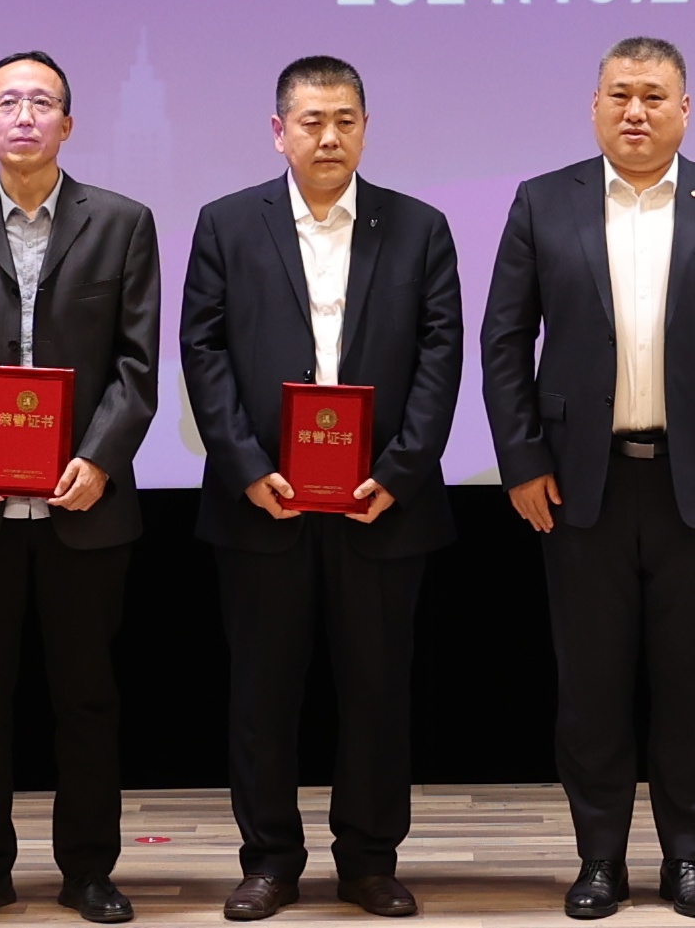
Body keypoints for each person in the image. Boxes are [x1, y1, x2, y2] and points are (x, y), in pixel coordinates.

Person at [482, 37, 695, 920]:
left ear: (684, 110)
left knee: (692, 686)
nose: (635, 111)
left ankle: (688, 858)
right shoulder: (543, 200)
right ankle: (599, 860)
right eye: (619, 93)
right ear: (593, 105)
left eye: (654, 95)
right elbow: (504, 340)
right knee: (590, 687)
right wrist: (522, 459)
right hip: (577, 485)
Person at [184, 56, 464, 921]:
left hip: (381, 504)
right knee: (262, 694)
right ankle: (269, 858)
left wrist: (400, 469)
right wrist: (245, 466)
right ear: (279, 131)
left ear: (366, 128)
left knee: (377, 691)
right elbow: (202, 351)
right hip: (262, 501)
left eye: (345, 119)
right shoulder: (228, 222)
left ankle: (369, 860)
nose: (329, 135)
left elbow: (440, 355)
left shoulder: (418, 226)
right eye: (311, 120)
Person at [0, 52, 161, 924]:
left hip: (85, 504)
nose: (23, 116)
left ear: (67, 124)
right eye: (6, 102)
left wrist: (100, 459)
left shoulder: (122, 223)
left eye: (41, 102)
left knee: (87, 698)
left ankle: (88, 870)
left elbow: (137, 364)